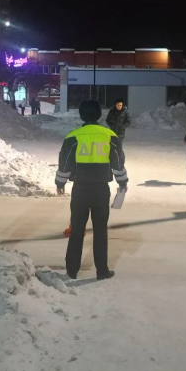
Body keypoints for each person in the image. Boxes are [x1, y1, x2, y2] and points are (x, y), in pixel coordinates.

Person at [56, 99, 128, 281]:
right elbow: (118, 163)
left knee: (77, 230)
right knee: (100, 230)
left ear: (81, 115)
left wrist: (60, 183)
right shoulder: (109, 136)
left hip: (80, 189)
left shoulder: (73, 136)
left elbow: (65, 162)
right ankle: (102, 271)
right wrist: (122, 182)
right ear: (99, 115)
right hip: (101, 189)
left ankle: (72, 271)